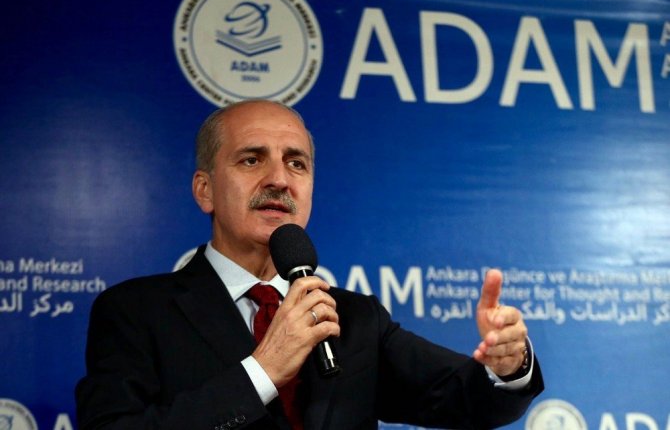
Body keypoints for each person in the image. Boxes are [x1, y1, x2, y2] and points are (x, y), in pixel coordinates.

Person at [75, 100, 543, 429]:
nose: (279, 179)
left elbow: (468, 400)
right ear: (205, 190)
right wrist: (262, 372)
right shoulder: (135, 311)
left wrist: (508, 366)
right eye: (251, 160)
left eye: (296, 163)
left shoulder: (357, 319)